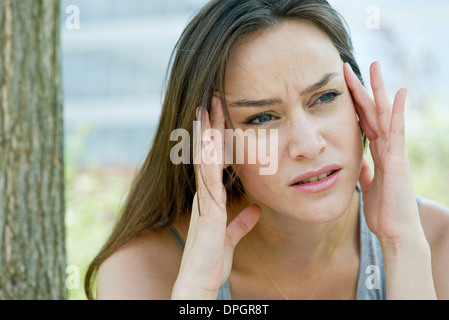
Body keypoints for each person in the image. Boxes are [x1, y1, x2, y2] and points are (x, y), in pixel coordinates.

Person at [85, 0, 449, 300]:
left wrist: (401, 245)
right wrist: (197, 290)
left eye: (325, 97)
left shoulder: (436, 242)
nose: (309, 144)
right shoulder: (144, 270)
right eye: (261, 118)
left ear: (359, 103)